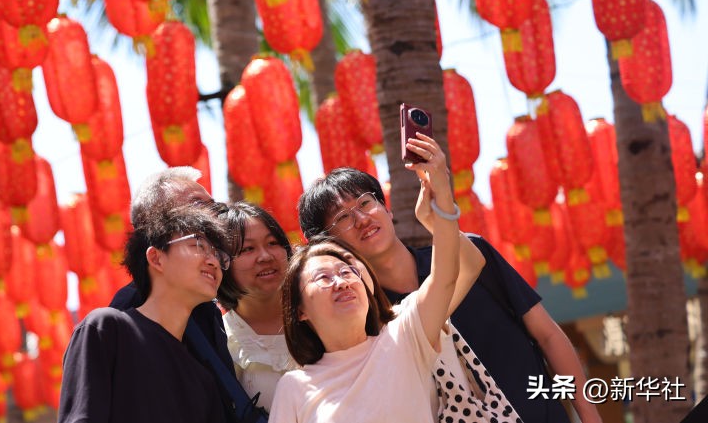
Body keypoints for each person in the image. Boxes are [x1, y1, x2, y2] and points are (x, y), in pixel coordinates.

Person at [298, 137, 602, 423]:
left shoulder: (470, 252)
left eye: (365, 203)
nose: (362, 219)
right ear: (328, 244)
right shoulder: (363, 319)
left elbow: (547, 335)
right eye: (342, 218)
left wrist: (590, 416)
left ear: (386, 208)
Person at [270, 132, 462, 423]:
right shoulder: (293, 388)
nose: (342, 281)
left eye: (348, 272)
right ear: (299, 311)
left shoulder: (405, 331)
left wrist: (441, 194)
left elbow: (445, 275)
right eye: (323, 277)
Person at [109, 167, 262, 423]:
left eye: (214, 207)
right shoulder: (121, 319)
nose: (215, 216)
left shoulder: (206, 309)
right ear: (155, 225)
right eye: (198, 205)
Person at [58, 203, 232, 423]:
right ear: (156, 258)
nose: (213, 261)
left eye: (218, 255)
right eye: (198, 245)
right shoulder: (106, 329)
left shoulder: (203, 377)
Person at [217, 202, 296, 413]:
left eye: (272, 243)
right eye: (248, 249)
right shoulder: (218, 341)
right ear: (222, 263)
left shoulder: (322, 314)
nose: (265, 256)